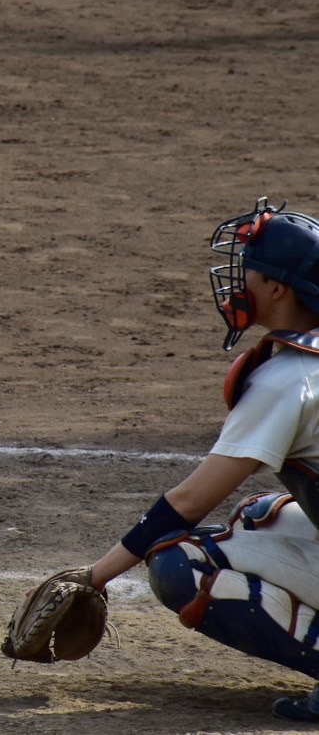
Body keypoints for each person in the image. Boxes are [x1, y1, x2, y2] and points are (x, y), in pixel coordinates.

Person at [78, 196, 319, 722]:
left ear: (277, 289)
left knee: (180, 564)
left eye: (249, 269)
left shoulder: (288, 381)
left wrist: (94, 577)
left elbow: (189, 502)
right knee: (261, 516)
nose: (237, 281)